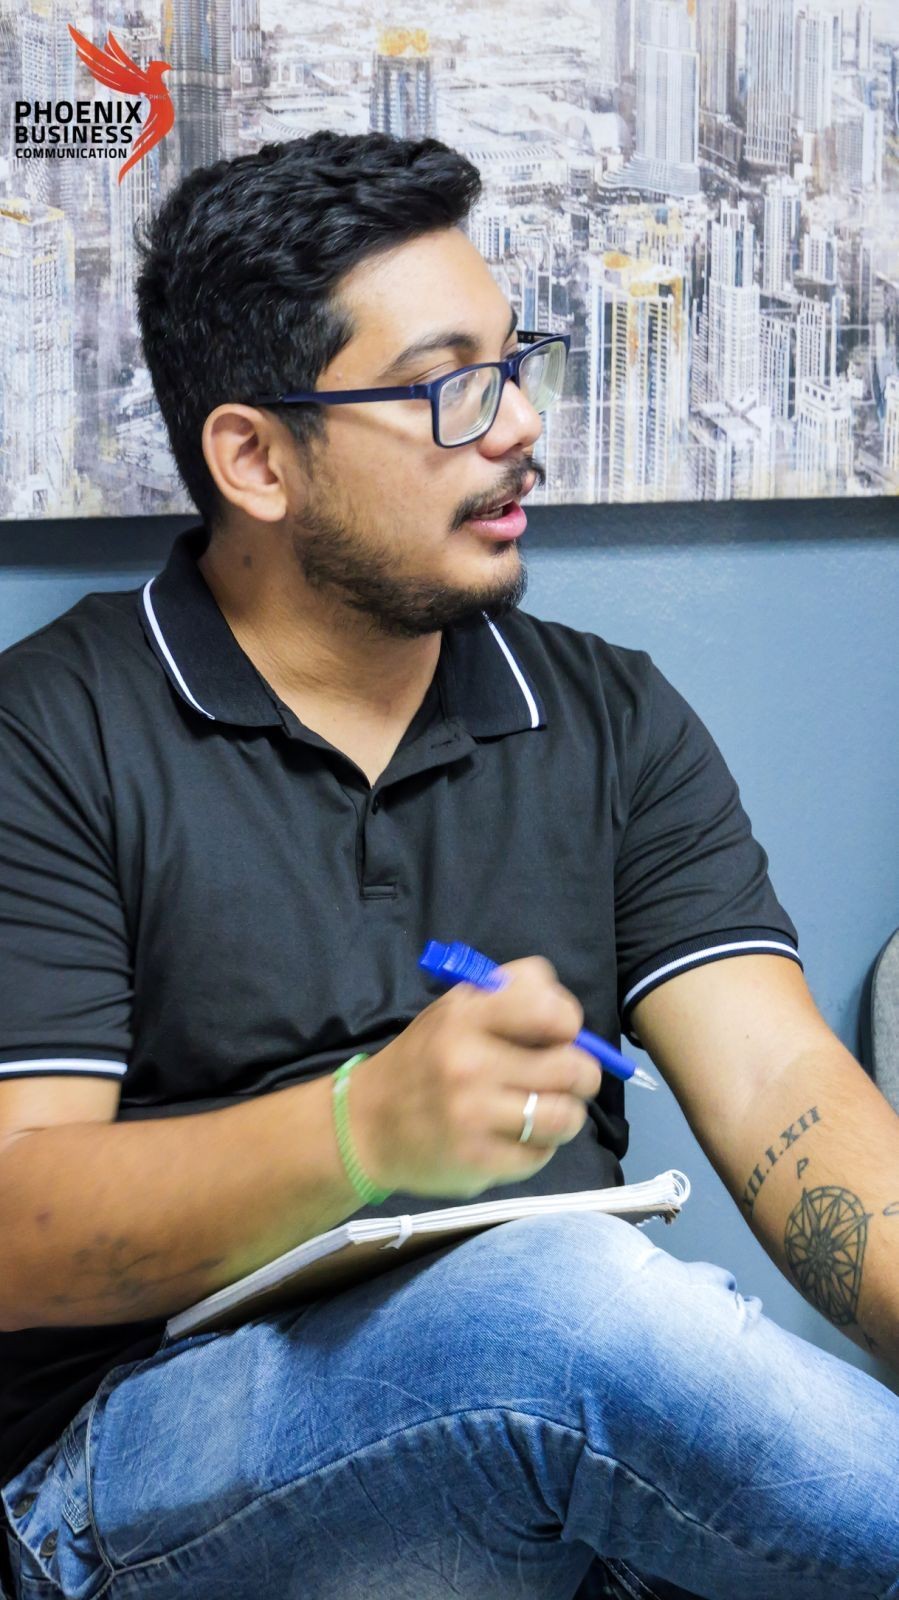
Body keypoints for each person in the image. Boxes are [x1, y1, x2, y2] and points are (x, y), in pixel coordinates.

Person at [0, 130, 896, 1600]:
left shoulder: (611, 715)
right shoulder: (55, 730)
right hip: (141, 1465)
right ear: (256, 458)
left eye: (516, 361)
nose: (519, 427)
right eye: (449, 387)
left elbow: (790, 1095)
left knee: (590, 1338)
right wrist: (360, 1130)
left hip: (545, 1437)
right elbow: (14, 1228)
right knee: (555, 1311)